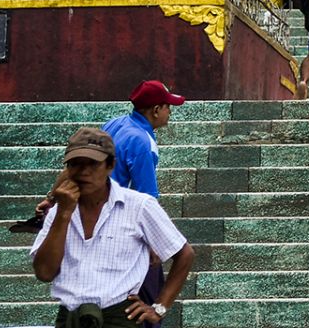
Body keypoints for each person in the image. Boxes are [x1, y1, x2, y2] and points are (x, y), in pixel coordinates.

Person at [30, 127, 194, 327]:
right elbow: (44, 272)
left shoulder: (139, 206)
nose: (84, 172)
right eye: (75, 164)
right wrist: (63, 213)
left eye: (93, 164)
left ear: (110, 166)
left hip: (119, 318)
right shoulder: (58, 212)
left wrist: (159, 308)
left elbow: (184, 253)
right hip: (70, 319)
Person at [100, 81, 185, 305]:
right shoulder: (142, 141)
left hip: (96, 214)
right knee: (147, 293)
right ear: (156, 110)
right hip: (117, 220)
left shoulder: (114, 124)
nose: (170, 112)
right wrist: (152, 242)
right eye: (168, 107)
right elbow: (147, 195)